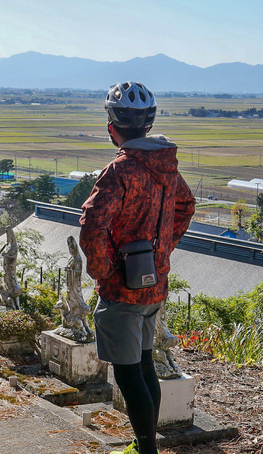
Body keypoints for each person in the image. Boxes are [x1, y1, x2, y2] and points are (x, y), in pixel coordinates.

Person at [79, 82, 196, 454]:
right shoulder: (165, 166)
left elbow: (92, 227)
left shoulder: (121, 170)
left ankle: (145, 451)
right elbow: (185, 207)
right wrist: (161, 251)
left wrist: (105, 273)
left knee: (128, 374)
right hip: (153, 285)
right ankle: (144, 445)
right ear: (147, 125)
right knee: (144, 366)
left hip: (122, 290)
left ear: (112, 126)